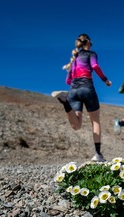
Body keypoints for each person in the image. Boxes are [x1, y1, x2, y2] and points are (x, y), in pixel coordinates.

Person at [52, 33, 112, 162]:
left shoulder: (73, 60)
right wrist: (105, 80)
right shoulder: (91, 54)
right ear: (88, 42)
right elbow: (95, 66)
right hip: (87, 88)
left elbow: (68, 81)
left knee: (76, 125)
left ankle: (65, 102)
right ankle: (97, 154)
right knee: (95, 121)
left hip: (73, 90)